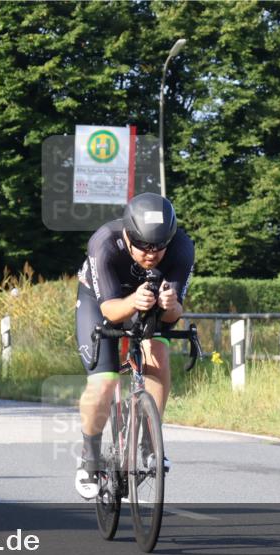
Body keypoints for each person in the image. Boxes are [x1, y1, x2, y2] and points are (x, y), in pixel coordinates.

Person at [73, 193, 195, 499]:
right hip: (102, 302)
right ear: (128, 235)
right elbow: (110, 311)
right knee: (104, 382)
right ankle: (89, 458)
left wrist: (170, 305)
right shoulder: (104, 243)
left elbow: (174, 315)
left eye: (159, 246)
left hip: (150, 303)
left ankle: (150, 444)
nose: (151, 254)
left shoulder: (182, 248)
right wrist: (133, 302)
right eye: (142, 245)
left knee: (159, 354)